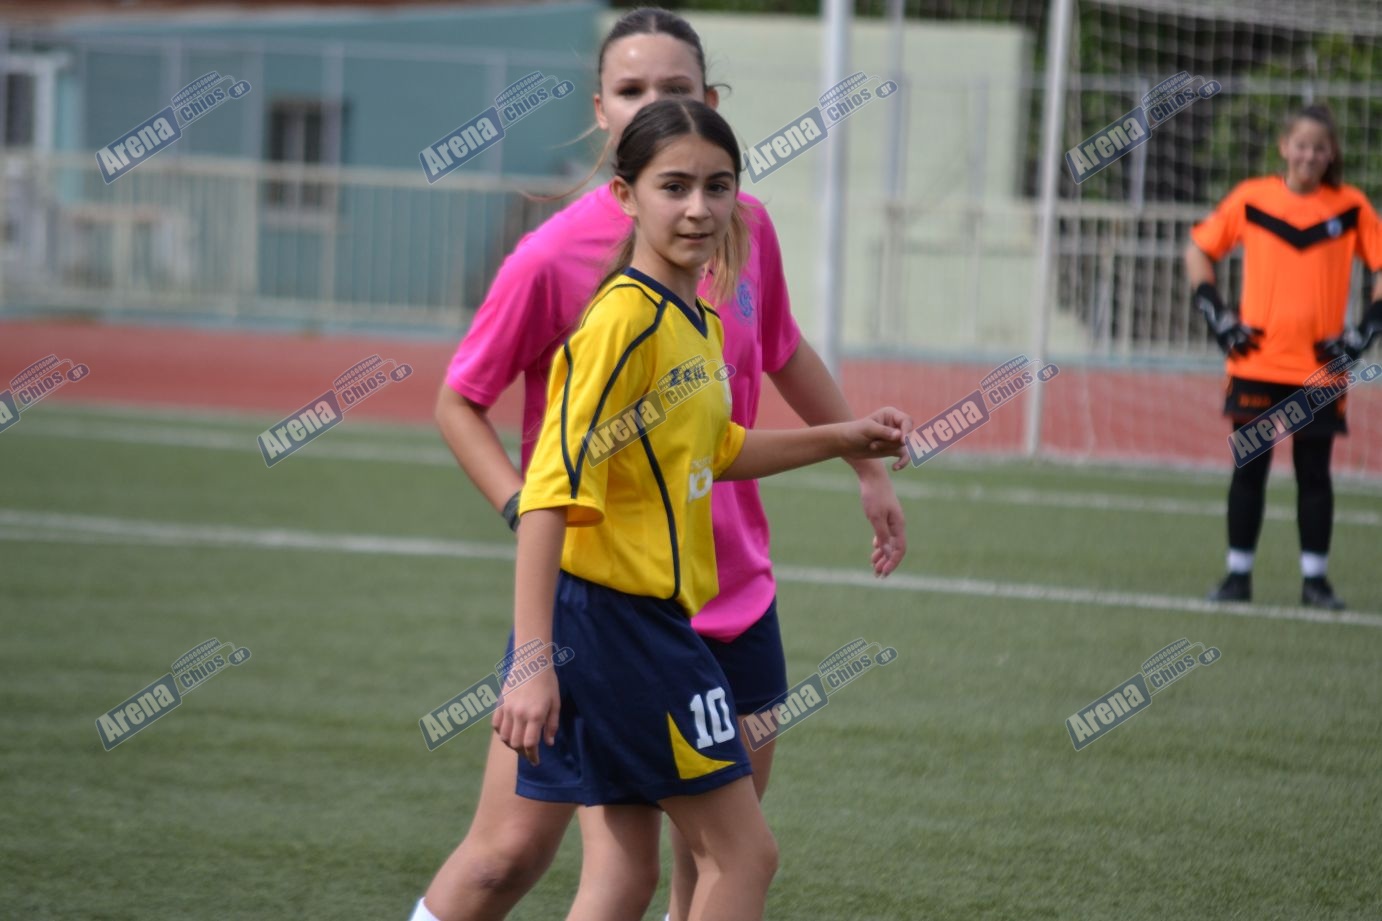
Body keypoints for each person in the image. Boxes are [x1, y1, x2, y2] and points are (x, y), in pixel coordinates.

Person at [415, 9, 908, 921]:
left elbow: (718, 446)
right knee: (712, 855)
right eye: (674, 185)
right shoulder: (614, 309)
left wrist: (849, 444)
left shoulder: (698, 309)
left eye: (716, 186)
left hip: (693, 607)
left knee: (650, 871)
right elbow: (542, 480)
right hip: (613, 616)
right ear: (622, 171)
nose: (698, 206)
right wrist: (532, 656)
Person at [1186, 103, 1382, 610]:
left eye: (1319, 148)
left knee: (1314, 474)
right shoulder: (1252, 198)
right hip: (1255, 364)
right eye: (1301, 145)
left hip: (1320, 372)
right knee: (1249, 469)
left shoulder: (1350, 207)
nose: (1309, 155)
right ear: (1284, 147)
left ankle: (1315, 583)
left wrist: (1365, 330)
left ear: (1331, 153)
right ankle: (1237, 577)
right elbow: (1198, 250)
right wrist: (1216, 313)